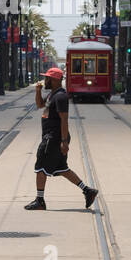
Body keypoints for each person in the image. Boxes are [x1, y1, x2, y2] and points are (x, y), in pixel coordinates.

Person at [24, 67, 98, 211]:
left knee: (40, 167)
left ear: (55, 80)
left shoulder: (60, 97)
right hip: (54, 137)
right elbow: (40, 105)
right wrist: (38, 91)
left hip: (54, 138)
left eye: (48, 78)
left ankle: (40, 201)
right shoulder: (53, 94)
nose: (45, 80)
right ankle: (88, 191)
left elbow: (64, 120)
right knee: (62, 169)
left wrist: (64, 142)